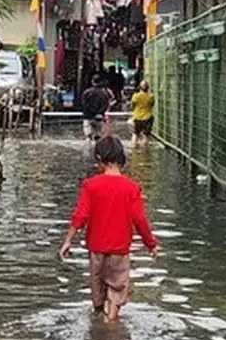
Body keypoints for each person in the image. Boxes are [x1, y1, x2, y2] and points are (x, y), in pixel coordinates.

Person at [59, 137, 159, 322]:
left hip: (96, 250)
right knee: (116, 291)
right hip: (119, 251)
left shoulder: (90, 185)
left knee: (97, 294)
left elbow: (80, 216)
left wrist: (68, 241)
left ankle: (98, 322)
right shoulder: (131, 188)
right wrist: (151, 244)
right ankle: (111, 326)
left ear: (99, 158)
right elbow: (140, 220)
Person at [80, 75, 112, 140]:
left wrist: (91, 111)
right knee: (98, 137)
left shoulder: (86, 92)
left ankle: (88, 145)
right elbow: (105, 105)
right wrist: (99, 112)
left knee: (88, 137)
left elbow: (84, 104)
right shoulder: (104, 94)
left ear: (92, 82)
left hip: (88, 117)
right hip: (99, 117)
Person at [129, 81, 154, 147]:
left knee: (135, 133)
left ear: (139, 87)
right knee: (146, 134)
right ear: (148, 88)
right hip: (147, 117)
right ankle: (144, 149)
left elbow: (132, 106)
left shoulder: (136, 96)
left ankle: (133, 146)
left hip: (137, 117)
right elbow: (152, 105)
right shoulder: (151, 96)